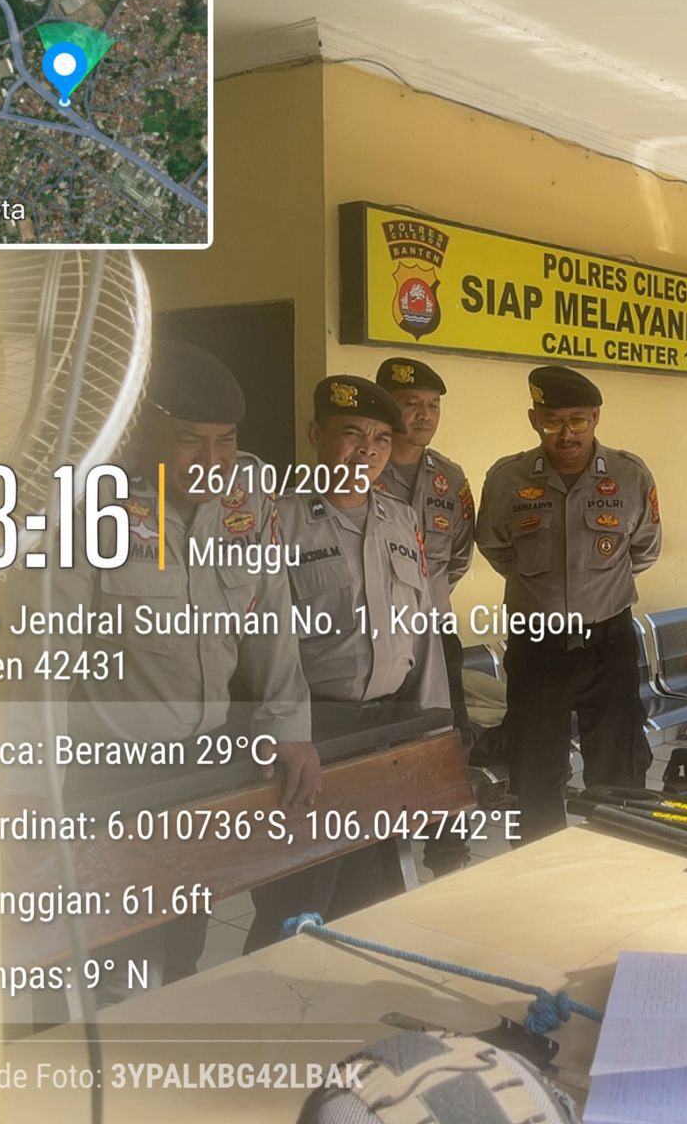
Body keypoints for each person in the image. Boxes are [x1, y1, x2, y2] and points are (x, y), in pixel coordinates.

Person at [3, 339, 317, 1001]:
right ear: (141, 427)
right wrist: (28, 788)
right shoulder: (87, 501)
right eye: (190, 441)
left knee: (181, 942)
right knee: (109, 961)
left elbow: (272, 613)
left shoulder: (248, 493)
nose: (212, 462)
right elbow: (40, 658)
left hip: (204, 759)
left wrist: (288, 726)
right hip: (109, 770)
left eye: (225, 441)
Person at [246, 376, 453, 952]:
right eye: (352, 434)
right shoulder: (279, 519)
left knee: (376, 895)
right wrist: (283, 734)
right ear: (316, 434)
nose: (367, 451)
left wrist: (434, 732)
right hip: (315, 730)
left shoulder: (399, 519)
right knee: (297, 901)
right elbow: (262, 640)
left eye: (382, 439)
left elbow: (423, 633)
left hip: (386, 729)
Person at [474, 366, 660, 841]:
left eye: (577, 420)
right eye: (552, 421)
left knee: (617, 768)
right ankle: (541, 865)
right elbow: (495, 548)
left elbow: (644, 549)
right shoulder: (508, 478)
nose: (566, 434)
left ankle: (615, 861)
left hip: (608, 641)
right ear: (534, 419)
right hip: (537, 644)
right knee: (534, 768)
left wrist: (594, 589)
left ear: (596, 417)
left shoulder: (630, 474)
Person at [372, 357, 476, 742]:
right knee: (382, 745)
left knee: (449, 740)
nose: (425, 415)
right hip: (377, 634)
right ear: (386, 405)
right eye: (411, 403)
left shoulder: (450, 477)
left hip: (436, 629)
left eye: (433, 405)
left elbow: (459, 557)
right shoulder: (361, 472)